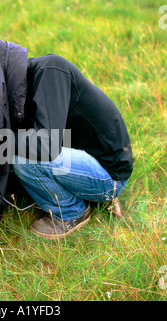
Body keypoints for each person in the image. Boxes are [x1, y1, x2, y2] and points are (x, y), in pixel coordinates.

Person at [12, 54, 133, 239]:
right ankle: (82, 191)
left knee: (21, 156)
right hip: (89, 158)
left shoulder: (51, 71)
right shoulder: (34, 77)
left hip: (109, 175)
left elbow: (46, 146)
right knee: (22, 145)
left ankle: (71, 212)